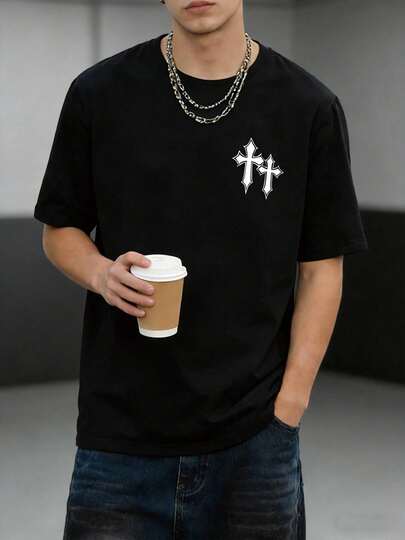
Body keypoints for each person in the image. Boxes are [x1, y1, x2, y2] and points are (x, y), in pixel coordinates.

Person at [33, 1, 368, 538]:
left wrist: (289, 408)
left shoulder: (307, 106)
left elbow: (321, 267)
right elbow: (59, 229)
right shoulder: (99, 94)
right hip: (118, 439)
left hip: (255, 438)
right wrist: (100, 273)